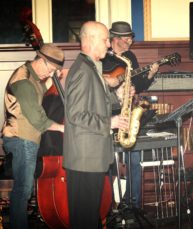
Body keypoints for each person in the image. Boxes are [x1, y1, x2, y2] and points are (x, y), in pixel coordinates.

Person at [63, 21, 131, 229]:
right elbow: (76, 115)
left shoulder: (90, 68)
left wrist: (119, 97)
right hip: (85, 158)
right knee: (84, 219)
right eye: (104, 40)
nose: (109, 45)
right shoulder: (83, 71)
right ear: (90, 40)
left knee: (89, 217)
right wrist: (109, 122)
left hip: (89, 157)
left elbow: (95, 102)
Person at [1, 44, 65, 229]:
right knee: (23, 190)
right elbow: (37, 118)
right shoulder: (24, 80)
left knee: (23, 189)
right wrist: (61, 128)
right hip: (21, 138)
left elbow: (42, 100)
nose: (51, 74)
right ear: (41, 61)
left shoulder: (35, 78)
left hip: (27, 139)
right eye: (51, 69)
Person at [102, 21, 159, 209]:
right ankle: (109, 204)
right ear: (116, 39)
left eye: (131, 37)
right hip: (108, 115)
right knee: (109, 165)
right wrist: (118, 91)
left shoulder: (130, 57)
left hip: (128, 113)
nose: (131, 41)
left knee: (134, 159)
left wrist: (148, 76)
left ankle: (133, 203)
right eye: (127, 38)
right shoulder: (102, 58)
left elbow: (139, 84)